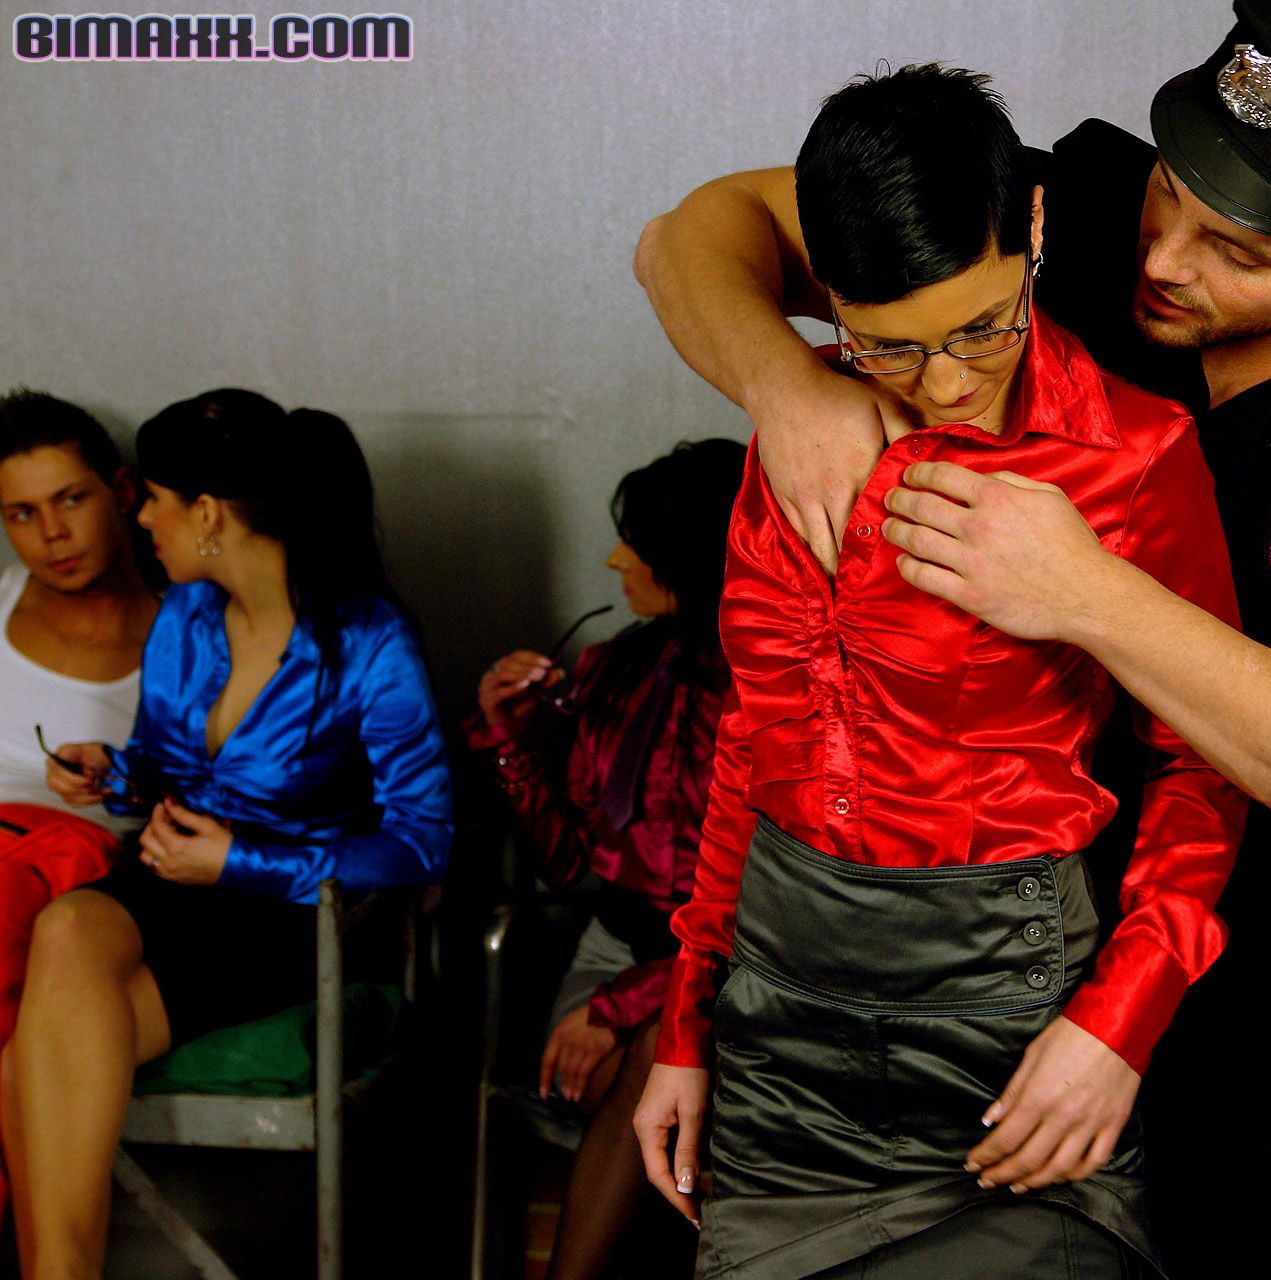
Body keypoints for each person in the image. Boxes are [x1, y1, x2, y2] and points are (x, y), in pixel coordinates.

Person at [632, 1, 1271, 1273]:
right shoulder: (1058, 215)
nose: (1165, 260)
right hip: (982, 975)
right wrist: (788, 383)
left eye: (1234, 248)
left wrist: (1088, 594)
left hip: (1268, 1005)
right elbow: (690, 236)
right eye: (1170, 193)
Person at [632, 65, 1245, 1280]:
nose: (951, 381)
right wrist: (688, 1022)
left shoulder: (1134, 455)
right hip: (781, 1036)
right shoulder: (797, 430)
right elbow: (754, 740)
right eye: (891, 345)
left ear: (1031, 228)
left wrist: (1121, 1023)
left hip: (1008, 1019)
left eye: (984, 325)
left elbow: (1204, 763)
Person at [3, 388, 454, 1280]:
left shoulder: (371, 642)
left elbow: (423, 842)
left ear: (206, 512)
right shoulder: (186, 614)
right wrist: (109, 772)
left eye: (154, 500)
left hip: (293, 912)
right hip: (174, 878)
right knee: (66, 927)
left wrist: (239, 860)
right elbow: (162, 765)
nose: (142, 520)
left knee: (23, 1068)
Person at [470, 438, 743, 1280]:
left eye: (640, 542)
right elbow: (566, 865)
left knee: (658, 1077)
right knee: (647, 1106)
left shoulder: (773, 686)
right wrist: (513, 741)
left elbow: (766, 903)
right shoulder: (616, 668)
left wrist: (622, 1007)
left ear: (696, 557)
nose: (615, 559)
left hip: (740, 970)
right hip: (615, 950)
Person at [0, 390, 160, 1211]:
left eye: (69, 500)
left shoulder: (185, 631)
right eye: (22, 514)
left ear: (121, 492)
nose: (51, 535)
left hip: (78, 871)